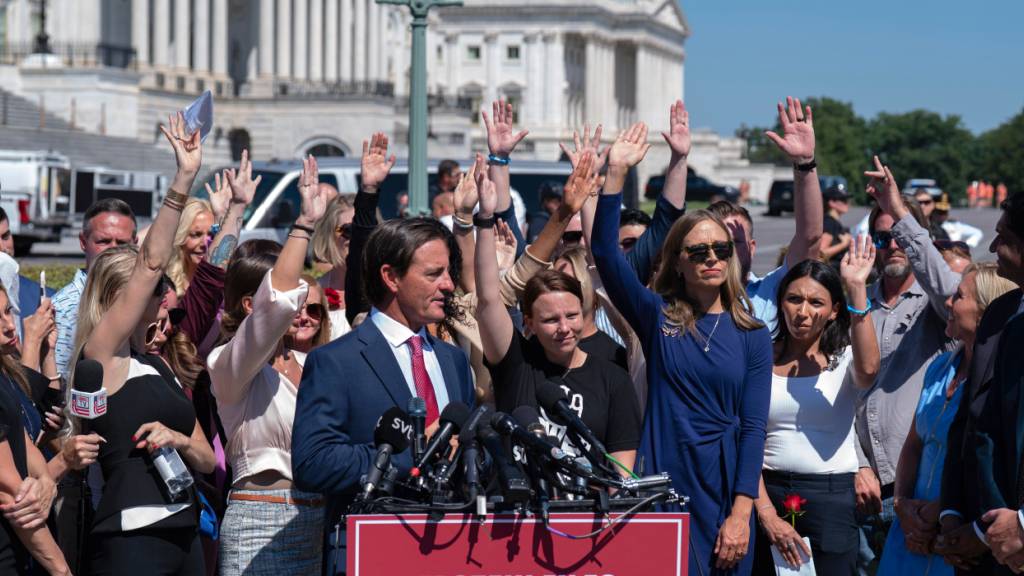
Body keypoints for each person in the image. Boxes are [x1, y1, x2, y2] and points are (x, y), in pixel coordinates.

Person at [592, 121, 772, 575]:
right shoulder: (657, 317)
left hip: (726, 486)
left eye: (720, 248)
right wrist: (615, 174)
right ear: (677, 262)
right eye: (698, 251)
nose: (712, 257)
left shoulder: (753, 333)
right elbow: (607, 256)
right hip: (665, 481)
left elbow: (753, 429)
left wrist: (741, 512)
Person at [292, 172, 476, 575]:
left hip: (453, 549)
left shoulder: (453, 360)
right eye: (433, 274)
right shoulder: (336, 362)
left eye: (449, 272)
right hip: (373, 549)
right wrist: (411, 453)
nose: (448, 285)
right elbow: (313, 463)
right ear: (391, 277)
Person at [68, 112, 215, 575]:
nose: (162, 297)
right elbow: (152, 263)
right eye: (152, 293)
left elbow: (207, 459)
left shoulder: (158, 362)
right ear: (120, 299)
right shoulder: (102, 354)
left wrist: (176, 438)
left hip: (184, 526)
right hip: (130, 535)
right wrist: (184, 177)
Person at [475, 151, 640, 471]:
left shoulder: (613, 378)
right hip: (520, 511)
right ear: (529, 323)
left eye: (571, 316)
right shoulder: (516, 364)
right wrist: (484, 219)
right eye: (550, 319)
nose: (564, 327)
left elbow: (623, 471)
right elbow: (488, 300)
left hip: (588, 514)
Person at [206, 156, 329, 576]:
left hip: (315, 519)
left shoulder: (311, 361)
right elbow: (274, 300)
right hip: (259, 519)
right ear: (248, 305)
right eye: (297, 295)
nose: (301, 306)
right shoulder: (227, 364)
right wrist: (304, 224)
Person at [853, 156, 961, 569]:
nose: (892, 246)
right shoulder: (856, 300)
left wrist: (899, 213)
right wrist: (856, 465)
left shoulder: (940, 305)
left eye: (899, 237)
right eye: (882, 239)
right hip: (861, 489)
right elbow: (836, 386)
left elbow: (948, 289)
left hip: (919, 495)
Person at [879, 262, 1015, 575]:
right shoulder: (941, 367)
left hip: (958, 533)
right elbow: (913, 444)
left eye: (959, 296)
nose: (949, 304)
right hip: (912, 529)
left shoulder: (1001, 381)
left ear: (986, 311)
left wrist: (943, 509)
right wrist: (902, 504)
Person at [753, 243, 880, 576]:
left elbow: (869, 371)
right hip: (769, 491)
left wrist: (856, 289)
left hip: (832, 498)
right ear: (780, 303)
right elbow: (746, 437)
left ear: (834, 310)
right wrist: (765, 512)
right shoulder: (759, 356)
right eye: (794, 299)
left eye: (816, 302)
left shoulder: (846, 356)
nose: (803, 311)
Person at [713, 97, 824, 333]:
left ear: (752, 247)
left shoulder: (771, 292)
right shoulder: (686, 302)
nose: (728, 251)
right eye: (718, 244)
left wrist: (804, 164)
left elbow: (810, 237)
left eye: (736, 242)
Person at [964, 193, 1024, 575]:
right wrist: (997, 526)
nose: (991, 247)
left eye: (1002, 237)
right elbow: (984, 430)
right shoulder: (1013, 324)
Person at [0, 285, 71, 575]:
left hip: (25, 552)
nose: (8, 325)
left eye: (7, 311)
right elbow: (10, 492)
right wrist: (61, 570)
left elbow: (32, 453)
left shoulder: (4, 374)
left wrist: (45, 483)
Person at [53, 198, 137, 376]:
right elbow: (58, 383)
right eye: (103, 241)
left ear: (135, 243)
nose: (113, 250)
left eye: (122, 243)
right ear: (83, 242)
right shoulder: (65, 308)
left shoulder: (144, 297)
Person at [311, 196, 355, 340]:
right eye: (348, 230)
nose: (356, 238)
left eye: (363, 229)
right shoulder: (313, 292)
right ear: (330, 235)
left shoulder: (389, 290)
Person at [821, 184, 853, 267]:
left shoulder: (832, 221)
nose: (847, 203)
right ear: (832, 202)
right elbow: (820, 254)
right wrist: (843, 244)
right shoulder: (829, 223)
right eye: (844, 200)